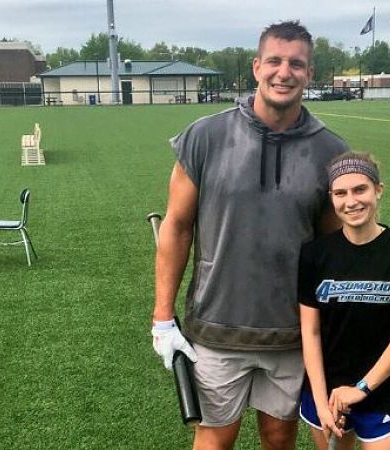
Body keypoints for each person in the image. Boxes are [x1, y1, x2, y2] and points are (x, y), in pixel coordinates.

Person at [151, 20, 349, 450]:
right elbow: (177, 226)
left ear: (309, 74)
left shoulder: (331, 152)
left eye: (296, 64)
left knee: (279, 437)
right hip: (217, 328)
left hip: (291, 332)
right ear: (257, 67)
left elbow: (335, 249)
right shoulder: (205, 136)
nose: (284, 72)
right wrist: (163, 318)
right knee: (215, 439)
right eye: (274, 61)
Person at [297, 152, 390, 450]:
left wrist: (361, 389)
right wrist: (322, 402)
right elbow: (309, 331)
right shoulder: (314, 254)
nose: (351, 201)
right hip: (325, 394)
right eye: (340, 193)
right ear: (331, 198)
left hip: (380, 393)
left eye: (360, 189)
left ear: (378, 190)